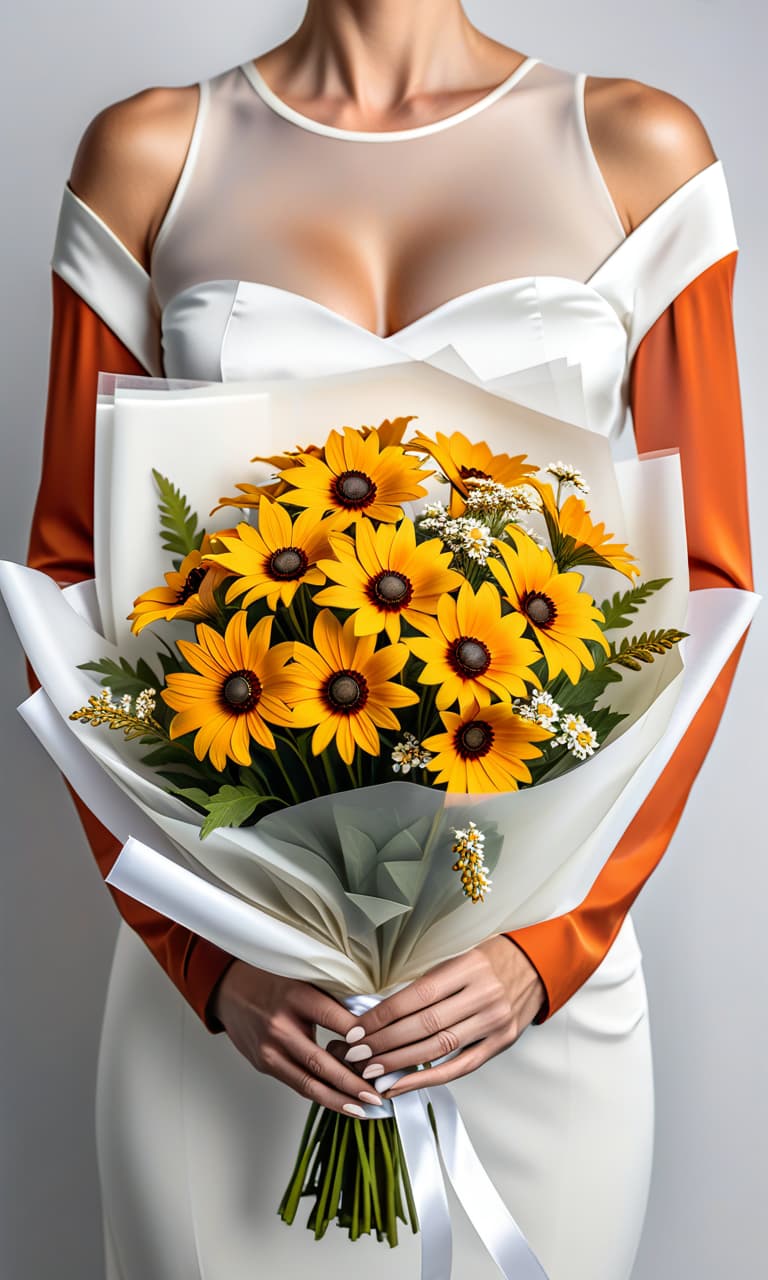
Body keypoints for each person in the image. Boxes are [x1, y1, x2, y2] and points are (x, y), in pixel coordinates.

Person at [26, 2, 754, 1277]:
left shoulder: (636, 147)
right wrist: (206, 958)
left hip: (520, 991)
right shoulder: (149, 153)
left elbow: (704, 587)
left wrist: (549, 949)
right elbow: (67, 582)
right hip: (242, 999)